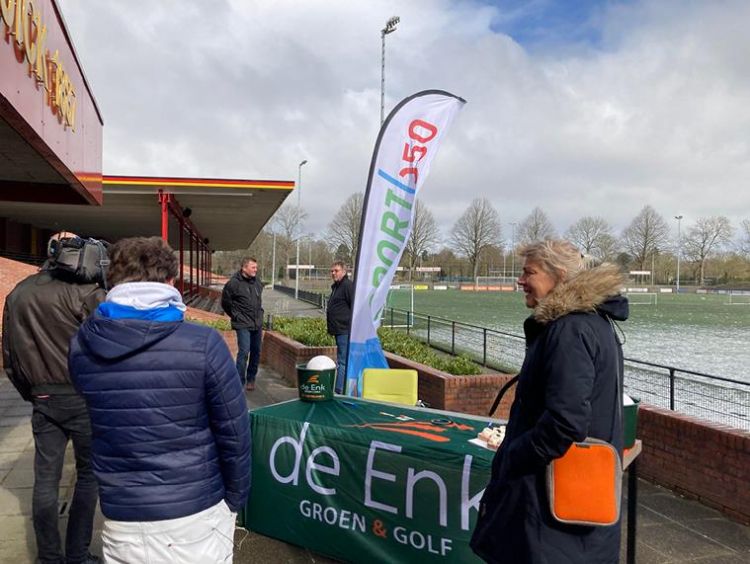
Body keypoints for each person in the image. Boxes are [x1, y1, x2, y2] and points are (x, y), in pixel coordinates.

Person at [68, 237, 251, 564]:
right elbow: (235, 434)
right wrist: (235, 500)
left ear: (114, 280)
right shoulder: (204, 344)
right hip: (195, 513)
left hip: (123, 516)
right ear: (170, 281)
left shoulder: (82, 346)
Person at [471, 240, 628, 564]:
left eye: (529, 272)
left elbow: (565, 423)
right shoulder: (592, 323)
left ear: (559, 276)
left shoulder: (571, 330)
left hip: (551, 515)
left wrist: (513, 455)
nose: (520, 280)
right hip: (571, 519)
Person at [2, 231, 104, 564]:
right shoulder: (87, 292)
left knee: (45, 479)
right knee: (88, 476)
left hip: (43, 398)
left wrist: (32, 393)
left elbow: (10, 355)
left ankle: (48, 557)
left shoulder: (19, 293)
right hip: (84, 398)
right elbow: (107, 349)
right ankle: (77, 554)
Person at [221, 257, 264, 391]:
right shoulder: (233, 284)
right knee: (244, 351)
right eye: (253, 267)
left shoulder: (257, 282)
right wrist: (236, 316)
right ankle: (239, 382)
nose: (256, 270)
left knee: (256, 352)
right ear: (244, 268)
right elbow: (225, 303)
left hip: (257, 323)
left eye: (256, 267)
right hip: (242, 324)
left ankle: (251, 379)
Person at [326, 261, 353, 394]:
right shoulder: (337, 287)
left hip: (344, 330)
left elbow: (354, 306)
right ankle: (340, 389)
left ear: (343, 271)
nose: (333, 273)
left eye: (336, 271)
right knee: (341, 360)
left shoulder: (347, 286)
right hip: (338, 330)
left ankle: (339, 390)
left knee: (342, 362)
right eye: (332, 271)